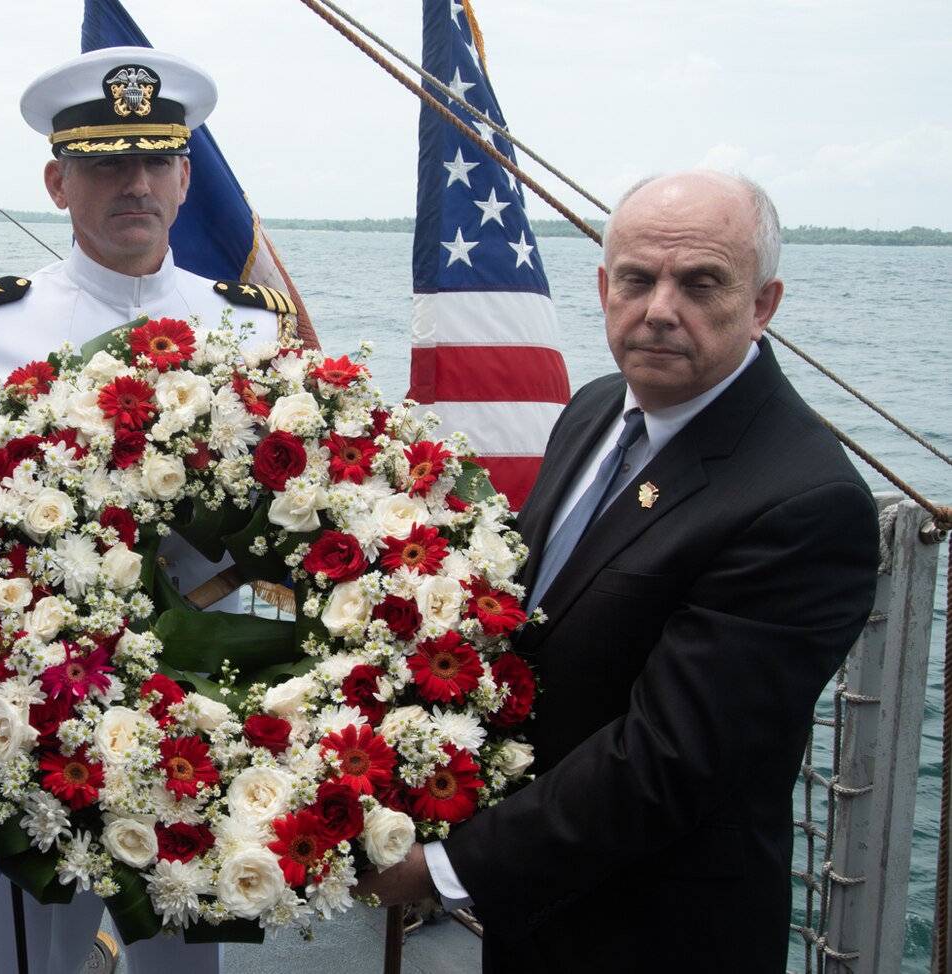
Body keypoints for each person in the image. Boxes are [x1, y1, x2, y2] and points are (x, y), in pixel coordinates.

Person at [354, 171, 881, 973]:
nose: (661, 308)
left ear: (764, 304)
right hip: (534, 901)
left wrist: (442, 867)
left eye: (702, 283)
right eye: (637, 279)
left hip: (657, 928)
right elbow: (532, 619)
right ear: (604, 287)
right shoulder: (599, 406)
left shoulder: (803, 500)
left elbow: (667, 757)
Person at [0, 46, 282, 974]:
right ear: (57, 181)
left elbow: (278, 520)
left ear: (187, 179)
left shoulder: (251, 326)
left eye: (156, 161)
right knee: (39, 947)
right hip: (42, 706)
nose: (135, 184)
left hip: (201, 686)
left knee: (183, 933)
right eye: (107, 163)